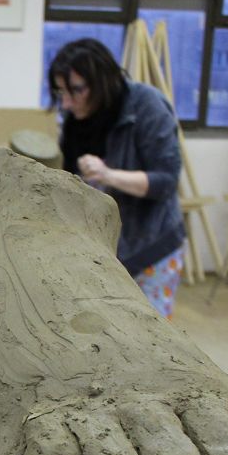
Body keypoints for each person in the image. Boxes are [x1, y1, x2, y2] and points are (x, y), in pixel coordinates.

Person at [48, 38, 185, 318]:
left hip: (151, 248)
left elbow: (166, 181)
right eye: (61, 92)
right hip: (105, 251)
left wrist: (108, 175)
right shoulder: (74, 120)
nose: (67, 102)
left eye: (76, 90)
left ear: (102, 81)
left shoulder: (146, 106)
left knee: (149, 338)